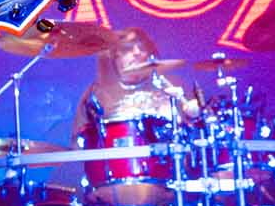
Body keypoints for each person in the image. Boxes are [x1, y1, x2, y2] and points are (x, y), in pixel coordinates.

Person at [71, 27, 199, 144]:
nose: (137, 52)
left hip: (168, 157)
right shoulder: (97, 94)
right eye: (128, 48)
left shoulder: (170, 86)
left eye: (142, 48)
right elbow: (81, 139)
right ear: (115, 55)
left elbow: (194, 128)